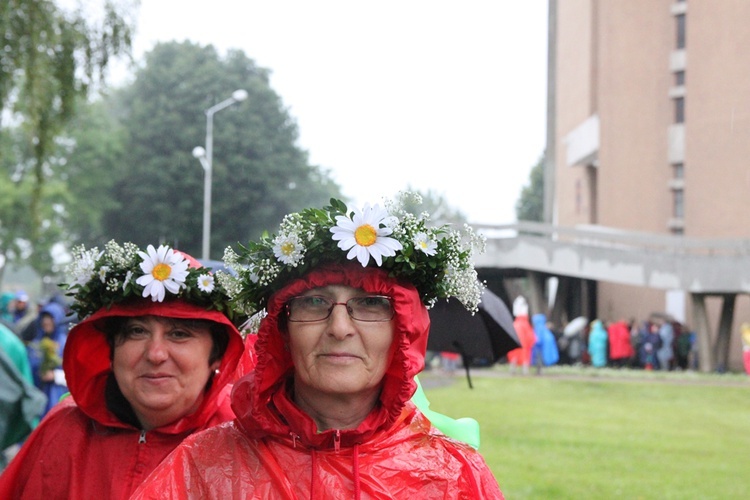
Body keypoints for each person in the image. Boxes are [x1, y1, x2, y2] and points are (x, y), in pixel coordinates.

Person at [133, 194, 503, 498]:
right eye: (314, 303)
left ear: (404, 331)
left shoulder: (454, 475)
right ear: (282, 331)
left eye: (371, 303)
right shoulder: (203, 467)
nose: (339, 328)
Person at [0, 241, 245, 499]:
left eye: (179, 334)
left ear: (217, 355)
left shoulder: (245, 441)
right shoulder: (62, 432)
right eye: (137, 331)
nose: (155, 354)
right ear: (111, 351)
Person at [25, 300, 70, 417]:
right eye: (44, 318)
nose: (46, 322)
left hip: (57, 398)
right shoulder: (35, 345)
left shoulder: (66, 344)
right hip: (37, 397)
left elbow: (76, 376)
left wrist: (55, 375)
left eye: (50, 318)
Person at [507, 296, 535, 374]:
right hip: (524, 345)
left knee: (515, 357)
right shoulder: (525, 323)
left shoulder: (515, 323)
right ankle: (524, 372)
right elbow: (530, 336)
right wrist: (531, 342)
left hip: (515, 344)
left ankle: (513, 370)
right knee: (525, 358)